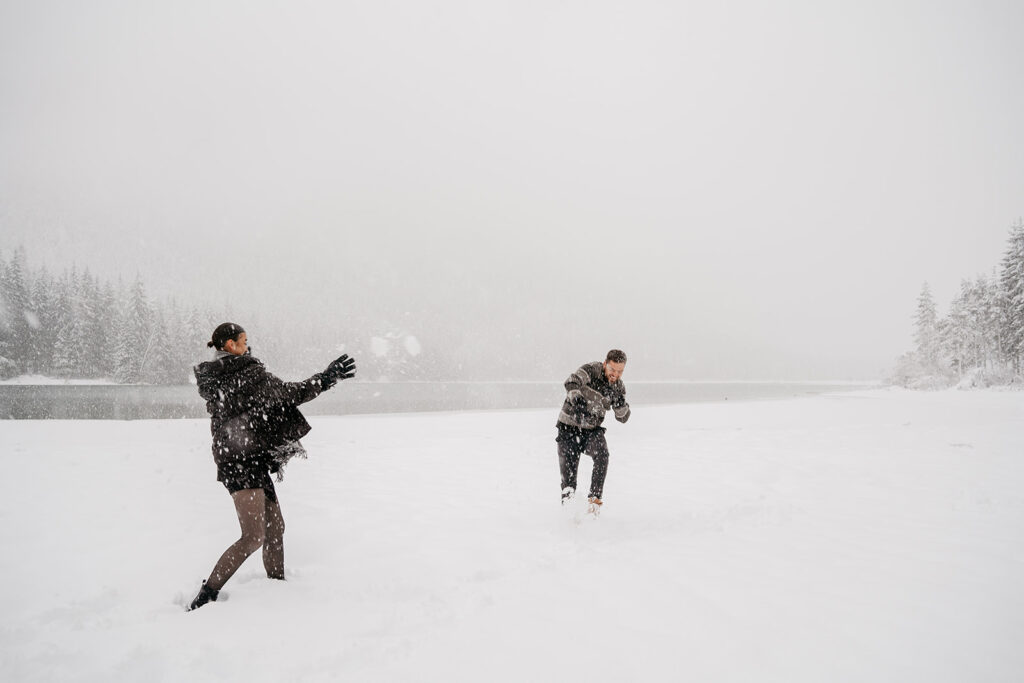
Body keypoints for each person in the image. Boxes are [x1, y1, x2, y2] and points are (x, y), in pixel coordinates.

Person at [187, 322, 356, 611]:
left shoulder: (221, 376)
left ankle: (276, 588)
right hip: (239, 462)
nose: (247, 345)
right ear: (229, 345)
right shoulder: (246, 374)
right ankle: (207, 595)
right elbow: (291, 393)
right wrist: (327, 378)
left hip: (245, 457)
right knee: (253, 536)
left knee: (275, 527)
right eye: (243, 341)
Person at [556, 349, 631, 516]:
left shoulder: (618, 386)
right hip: (568, 428)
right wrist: (576, 398)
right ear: (605, 364)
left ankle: (594, 504)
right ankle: (569, 519)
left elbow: (623, 417)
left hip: (591, 432)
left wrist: (620, 405)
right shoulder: (591, 370)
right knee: (568, 482)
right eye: (612, 370)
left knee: (602, 455)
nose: (615, 375)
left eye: (620, 371)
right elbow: (571, 381)